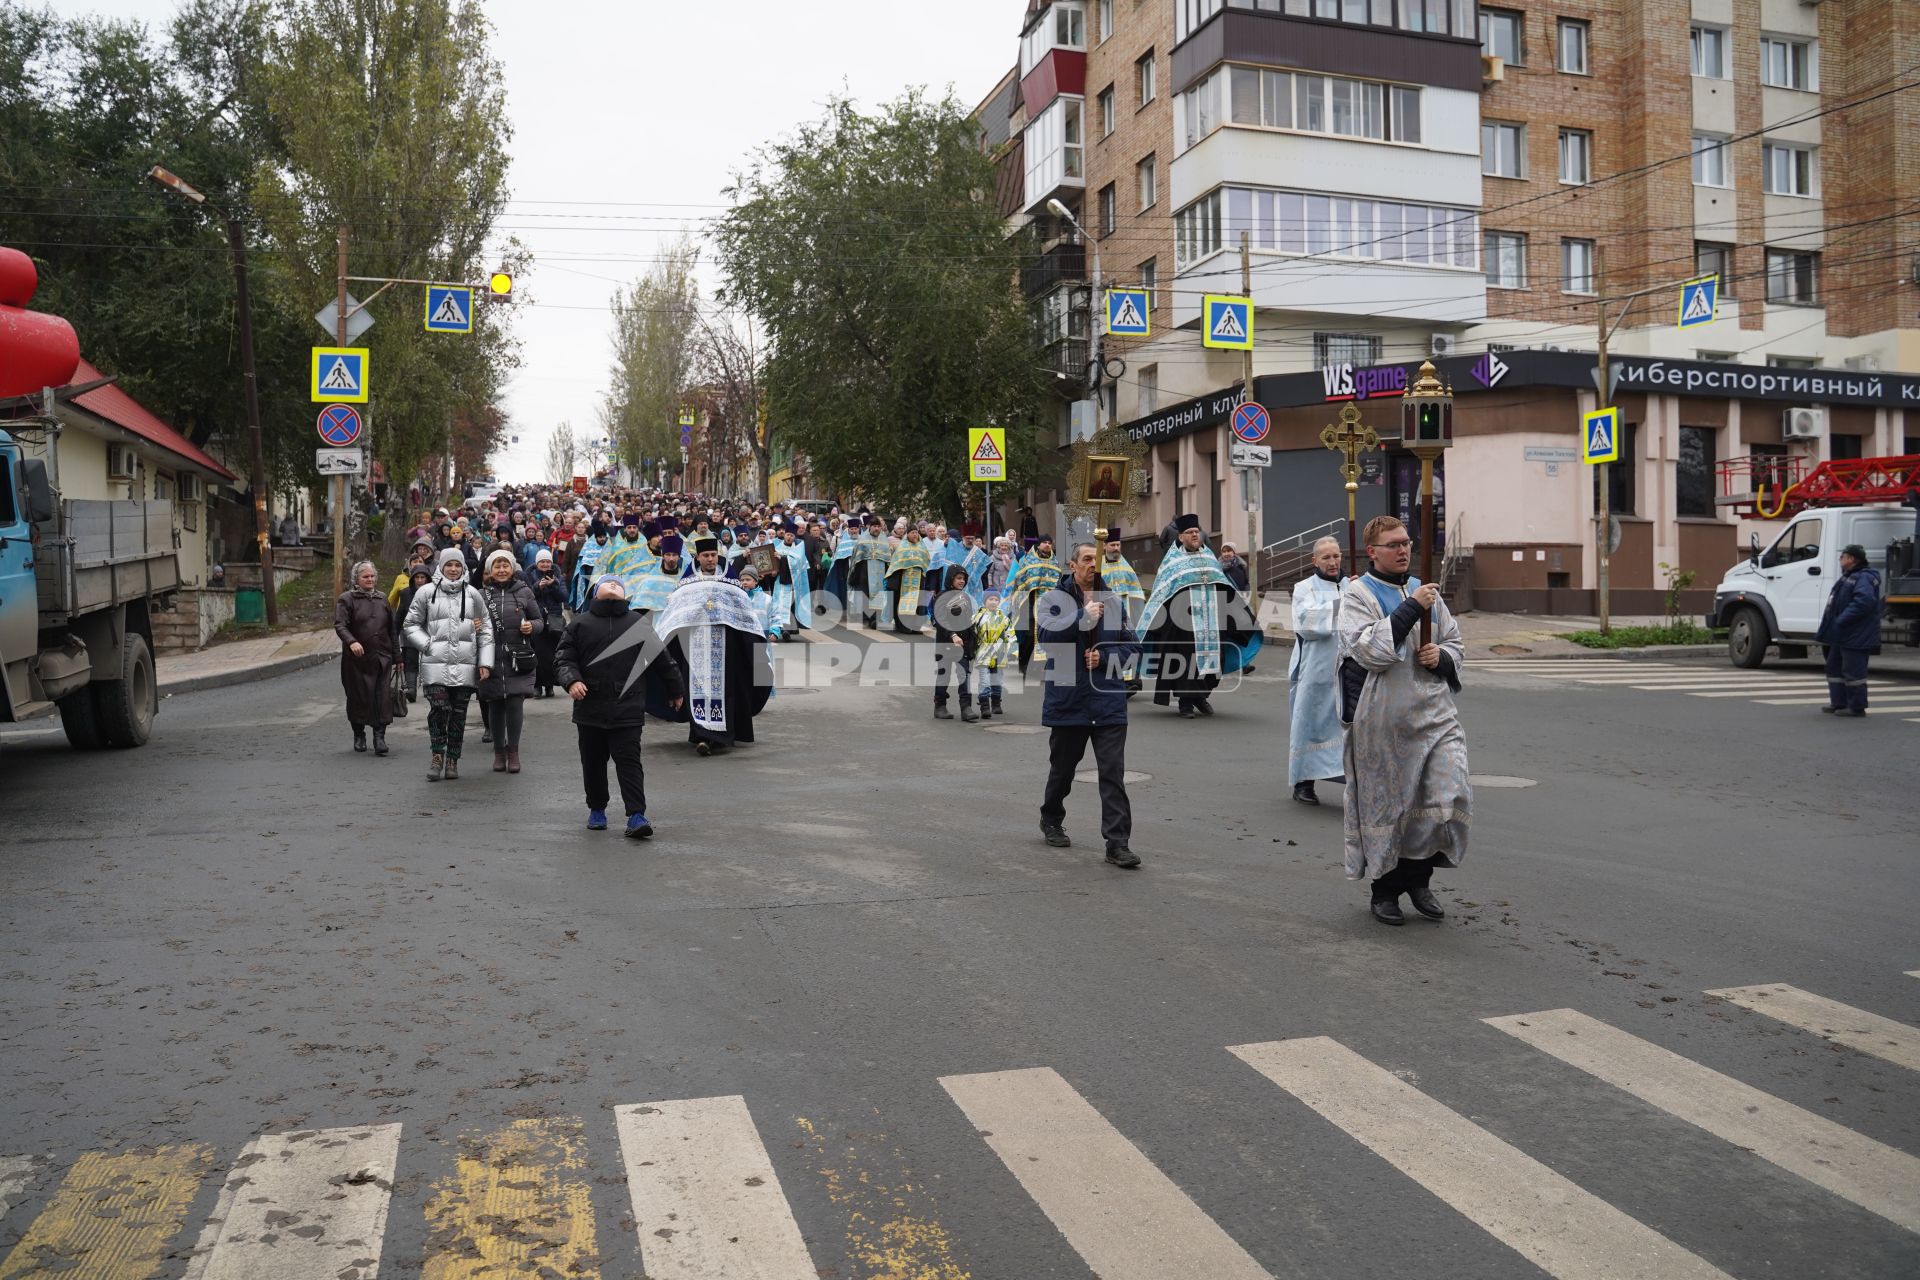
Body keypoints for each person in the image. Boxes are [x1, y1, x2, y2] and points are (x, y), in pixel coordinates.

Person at [1337, 515, 1469, 927]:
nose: (1403, 550)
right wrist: (1413, 608)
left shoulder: (1423, 590)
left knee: (1447, 796)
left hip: (1435, 714)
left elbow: (1454, 641)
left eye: (1407, 542)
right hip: (1383, 719)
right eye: (1393, 544)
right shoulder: (1358, 594)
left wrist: (1442, 657)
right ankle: (1388, 890)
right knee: (1393, 807)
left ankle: (1420, 879)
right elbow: (1367, 651)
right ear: (1372, 551)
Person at [554, 576, 686, 837]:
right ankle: (597, 809)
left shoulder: (637, 623)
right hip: (589, 707)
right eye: (608, 583)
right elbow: (563, 659)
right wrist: (572, 681)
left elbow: (662, 659)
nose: (613, 586)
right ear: (596, 592)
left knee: (629, 762)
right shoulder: (580, 623)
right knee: (592, 763)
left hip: (628, 706)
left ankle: (637, 815)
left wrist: (676, 689)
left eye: (617, 584)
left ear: (626, 594)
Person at [1038, 542, 1141, 869]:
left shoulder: (1112, 601)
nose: (1092, 565)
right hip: (1070, 698)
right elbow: (1045, 637)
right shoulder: (1053, 600)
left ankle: (1117, 843)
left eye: (1095, 560)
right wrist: (1082, 617)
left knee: (1112, 773)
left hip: (1108, 699)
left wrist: (1106, 656)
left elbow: (1133, 647)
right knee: (1063, 768)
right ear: (1072, 565)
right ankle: (1051, 816)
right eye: (1086, 559)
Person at [1135, 514, 1260, 718]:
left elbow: (1224, 587)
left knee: (1214, 661)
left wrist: (1240, 616)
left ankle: (1200, 696)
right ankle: (1186, 703)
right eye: (1190, 532)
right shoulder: (1172, 561)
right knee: (1186, 662)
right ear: (1181, 536)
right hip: (1183, 624)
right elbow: (1162, 592)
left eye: (1197, 532)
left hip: (1212, 622)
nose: (1195, 535)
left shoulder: (1209, 557)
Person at [654, 574, 774, 756]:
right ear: (699, 558)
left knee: (725, 691)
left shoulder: (729, 580)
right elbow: (675, 615)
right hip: (694, 645)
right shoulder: (689, 582)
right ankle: (701, 734)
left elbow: (744, 615)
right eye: (706, 555)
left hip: (725, 647)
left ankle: (717, 736)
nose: (710, 559)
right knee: (696, 691)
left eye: (713, 555)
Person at [405, 547, 494, 781]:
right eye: (449, 565)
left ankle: (453, 759)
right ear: (441, 566)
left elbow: (486, 629)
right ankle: (437, 755)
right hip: (435, 664)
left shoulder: (473, 594)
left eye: (457, 565)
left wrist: (485, 662)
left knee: (458, 714)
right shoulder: (425, 592)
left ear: (463, 567)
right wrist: (427, 645)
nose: (453, 569)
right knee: (439, 710)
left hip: (465, 666)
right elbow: (410, 624)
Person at [1289, 537, 1345, 805]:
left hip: (1349, 669)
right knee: (1310, 723)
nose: (1332, 562)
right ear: (1315, 561)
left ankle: (1355, 783)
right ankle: (1304, 781)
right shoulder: (1304, 588)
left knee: (1348, 727)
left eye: (1336, 556)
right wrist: (1345, 602)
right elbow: (1307, 624)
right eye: (1326, 557)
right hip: (1317, 668)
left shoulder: (1353, 585)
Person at [477, 550, 543, 774]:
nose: (502, 570)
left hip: (518, 656)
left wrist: (531, 627)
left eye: (506, 565)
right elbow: (466, 623)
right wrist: (472, 626)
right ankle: (498, 752)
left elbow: (539, 621)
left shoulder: (524, 591)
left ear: (513, 568)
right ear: (490, 570)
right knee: (495, 703)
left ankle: (513, 751)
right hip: (490, 656)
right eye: (497, 566)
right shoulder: (481, 595)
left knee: (515, 703)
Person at [334, 560, 395, 756]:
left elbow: (392, 630)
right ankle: (359, 733)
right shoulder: (347, 599)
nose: (370, 579)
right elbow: (340, 625)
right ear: (356, 579)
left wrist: (399, 658)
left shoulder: (382, 599)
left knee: (382, 697)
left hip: (381, 657)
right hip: (357, 661)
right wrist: (352, 642)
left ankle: (380, 737)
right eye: (365, 577)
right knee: (358, 697)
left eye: (372, 576)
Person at [1817, 543, 1882, 717]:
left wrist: (1842, 619)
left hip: (1856, 634)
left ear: (1851, 559)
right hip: (1843, 633)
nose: (1840, 559)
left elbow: (1864, 602)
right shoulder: (1849, 576)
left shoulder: (1864, 577)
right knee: (1834, 667)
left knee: (1854, 672)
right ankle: (1839, 703)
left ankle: (1856, 707)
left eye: (1842, 556)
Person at [1004, 536, 1062, 674]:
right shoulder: (1028, 560)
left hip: (1049, 605)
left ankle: (1041, 666)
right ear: (1039, 544)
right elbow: (1020, 578)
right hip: (1029, 603)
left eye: (1049, 543)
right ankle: (1024, 663)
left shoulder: (1055, 561)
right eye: (1045, 542)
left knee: (1047, 633)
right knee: (1030, 634)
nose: (1047, 545)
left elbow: (1058, 580)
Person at [932, 563, 979, 722]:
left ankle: (966, 708)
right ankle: (940, 706)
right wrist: (952, 635)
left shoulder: (965, 597)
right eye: (959, 578)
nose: (962, 581)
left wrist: (973, 639)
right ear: (951, 579)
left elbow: (968, 620)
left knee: (964, 674)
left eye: (964, 579)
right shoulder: (942, 596)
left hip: (963, 644)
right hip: (946, 642)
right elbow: (940, 619)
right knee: (944, 676)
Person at [527, 550, 568, 697]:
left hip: (553, 619)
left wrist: (554, 585)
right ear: (537, 563)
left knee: (551, 654)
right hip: (536, 618)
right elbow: (527, 595)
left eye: (547, 562)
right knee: (537, 653)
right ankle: (537, 685)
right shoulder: (529, 575)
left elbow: (564, 597)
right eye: (542, 562)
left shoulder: (558, 577)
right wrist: (538, 587)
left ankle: (550, 685)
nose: (545, 564)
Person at [394, 564, 434, 702]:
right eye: (417, 577)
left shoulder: (434, 592)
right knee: (410, 659)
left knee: (429, 661)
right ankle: (411, 689)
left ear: (428, 579)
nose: (420, 580)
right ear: (413, 579)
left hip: (429, 631)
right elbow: (400, 614)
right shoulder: (405, 593)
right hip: (410, 631)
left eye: (423, 577)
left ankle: (430, 688)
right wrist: (395, 632)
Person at [886, 525, 932, 635]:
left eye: (916, 533)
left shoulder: (922, 547)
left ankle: (916, 626)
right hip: (903, 579)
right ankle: (902, 625)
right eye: (913, 533)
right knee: (903, 602)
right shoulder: (902, 547)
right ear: (908, 535)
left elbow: (926, 561)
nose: (915, 535)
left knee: (918, 602)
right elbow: (896, 563)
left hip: (918, 579)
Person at [974, 591, 1013, 719]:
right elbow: (973, 635)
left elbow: (1010, 634)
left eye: (996, 599)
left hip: (999, 653)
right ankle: (984, 706)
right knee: (984, 681)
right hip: (983, 653)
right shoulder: (977, 617)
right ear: (985, 601)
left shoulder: (1004, 618)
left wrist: (1012, 650)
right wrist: (971, 650)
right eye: (990, 599)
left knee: (997, 680)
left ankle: (996, 703)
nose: (993, 602)